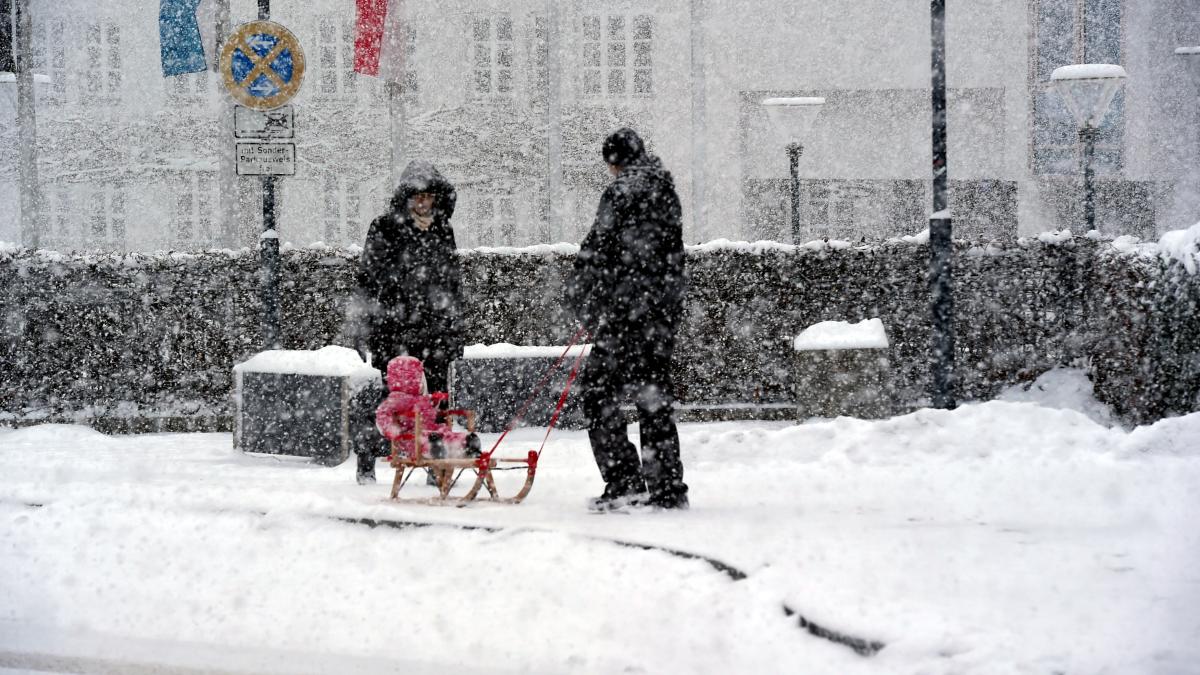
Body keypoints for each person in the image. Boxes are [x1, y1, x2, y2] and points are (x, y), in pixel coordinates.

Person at [564, 128, 690, 511]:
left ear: (614, 162)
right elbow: (672, 260)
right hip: (657, 319)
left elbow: (596, 251)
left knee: (597, 396)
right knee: (654, 402)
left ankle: (624, 482)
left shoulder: (620, 192)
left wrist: (582, 299)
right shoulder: (666, 192)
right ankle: (667, 489)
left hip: (621, 318)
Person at [348, 160, 464, 484]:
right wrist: (365, 326)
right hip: (394, 331)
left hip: (435, 333)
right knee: (393, 402)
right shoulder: (384, 228)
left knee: (437, 400)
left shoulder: (442, 231)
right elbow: (368, 280)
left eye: (428, 196)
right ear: (406, 198)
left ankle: (435, 465)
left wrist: (455, 330)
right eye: (417, 196)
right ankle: (367, 460)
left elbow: (452, 283)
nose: (423, 202)